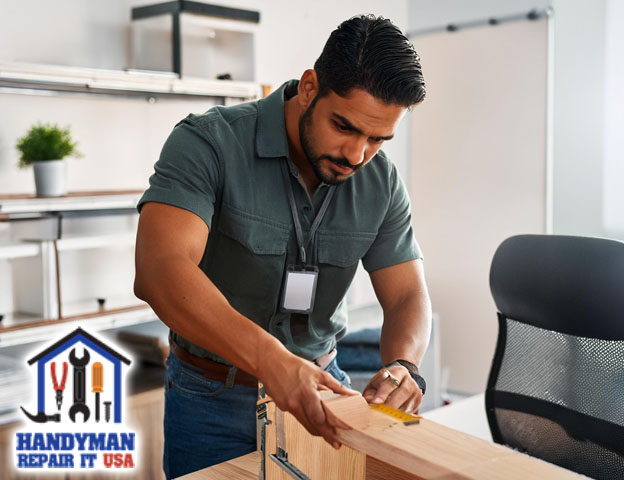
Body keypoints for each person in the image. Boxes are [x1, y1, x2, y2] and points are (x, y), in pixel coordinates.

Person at [134, 14, 431, 479]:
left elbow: (409, 295)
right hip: (211, 400)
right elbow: (160, 270)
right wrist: (273, 361)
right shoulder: (207, 142)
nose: (357, 155)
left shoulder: (382, 180)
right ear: (310, 87)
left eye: (377, 139)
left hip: (326, 397)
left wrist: (403, 365)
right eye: (345, 126)